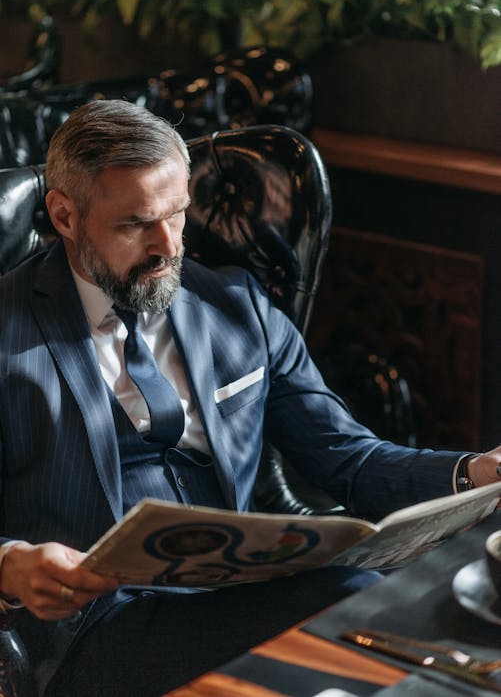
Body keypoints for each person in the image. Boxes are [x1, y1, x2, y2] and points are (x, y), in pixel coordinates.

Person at [0, 99, 499, 696]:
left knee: (394, 616)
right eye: (135, 224)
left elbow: (348, 459)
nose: (167, 247)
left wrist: (474, 474)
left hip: (233, 594)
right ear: (64, 215)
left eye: (178, 214)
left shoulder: (239, 310)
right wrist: (10, 565)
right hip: (91, 630)